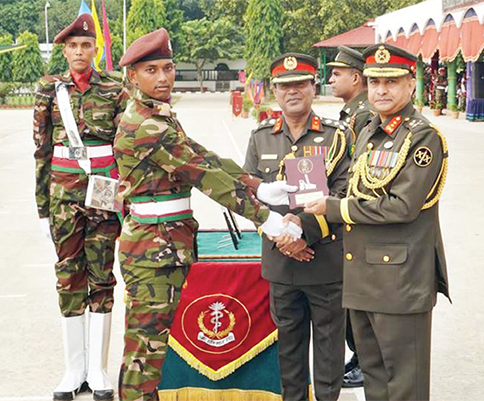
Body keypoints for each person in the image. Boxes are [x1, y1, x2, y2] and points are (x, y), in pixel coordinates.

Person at [114, 28, 300, 401]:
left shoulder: (159, 116)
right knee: (144, 352)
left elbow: (202, 156)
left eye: (168, 68)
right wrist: (266, 218)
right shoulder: (145, 125)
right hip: (152, 251)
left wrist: (256, 184)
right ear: (132, 76)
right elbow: (203, 177)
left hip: (165, 245)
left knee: (151, 346)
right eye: (152, 71)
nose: (163, 77)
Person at [304, 43, 451, 401]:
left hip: (400, 281)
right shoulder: (370, 130)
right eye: (374, 82)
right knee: (374, 376)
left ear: (410, 85)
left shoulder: (422, 137)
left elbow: (401, 206)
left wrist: (335, 209)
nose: (381, 91)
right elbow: (359, 185)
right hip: (364, 276)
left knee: (404, 384)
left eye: (391, 82)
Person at [243, 53, 352, 401]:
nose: (292, 91)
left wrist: (303, 229)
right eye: (284, 86)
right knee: (288, 351)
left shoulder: (337, 135)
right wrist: (283, 236)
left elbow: (343, 191)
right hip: (282, 261)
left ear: (313, 86)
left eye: (300, 84)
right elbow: (247, 193)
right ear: (274, 91)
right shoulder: (261, 136)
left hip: (324, 262)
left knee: (329, 350)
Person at [33, 14, 127, 401]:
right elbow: (41, 150)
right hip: (63, 196)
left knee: (102, 276)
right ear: (64, 50)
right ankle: (73, 368)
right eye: (72, 46)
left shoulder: (115, 88)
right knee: (69, 276)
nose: (78, 52)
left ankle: (98, 369)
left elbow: (125, 146)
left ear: (95, 48)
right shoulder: (48, 90)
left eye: (85, 45)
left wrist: (127, 196)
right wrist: (42, 206)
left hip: (104, 194)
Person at [327, 45, 374, 388]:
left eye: (337, 73)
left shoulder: (364, 115)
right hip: (346, 213)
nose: (331, 79)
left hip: (354, 217)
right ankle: (360, 356)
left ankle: (364, 360)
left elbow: (358, 171)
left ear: (355, 78)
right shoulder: (351, 113)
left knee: (357, 296)